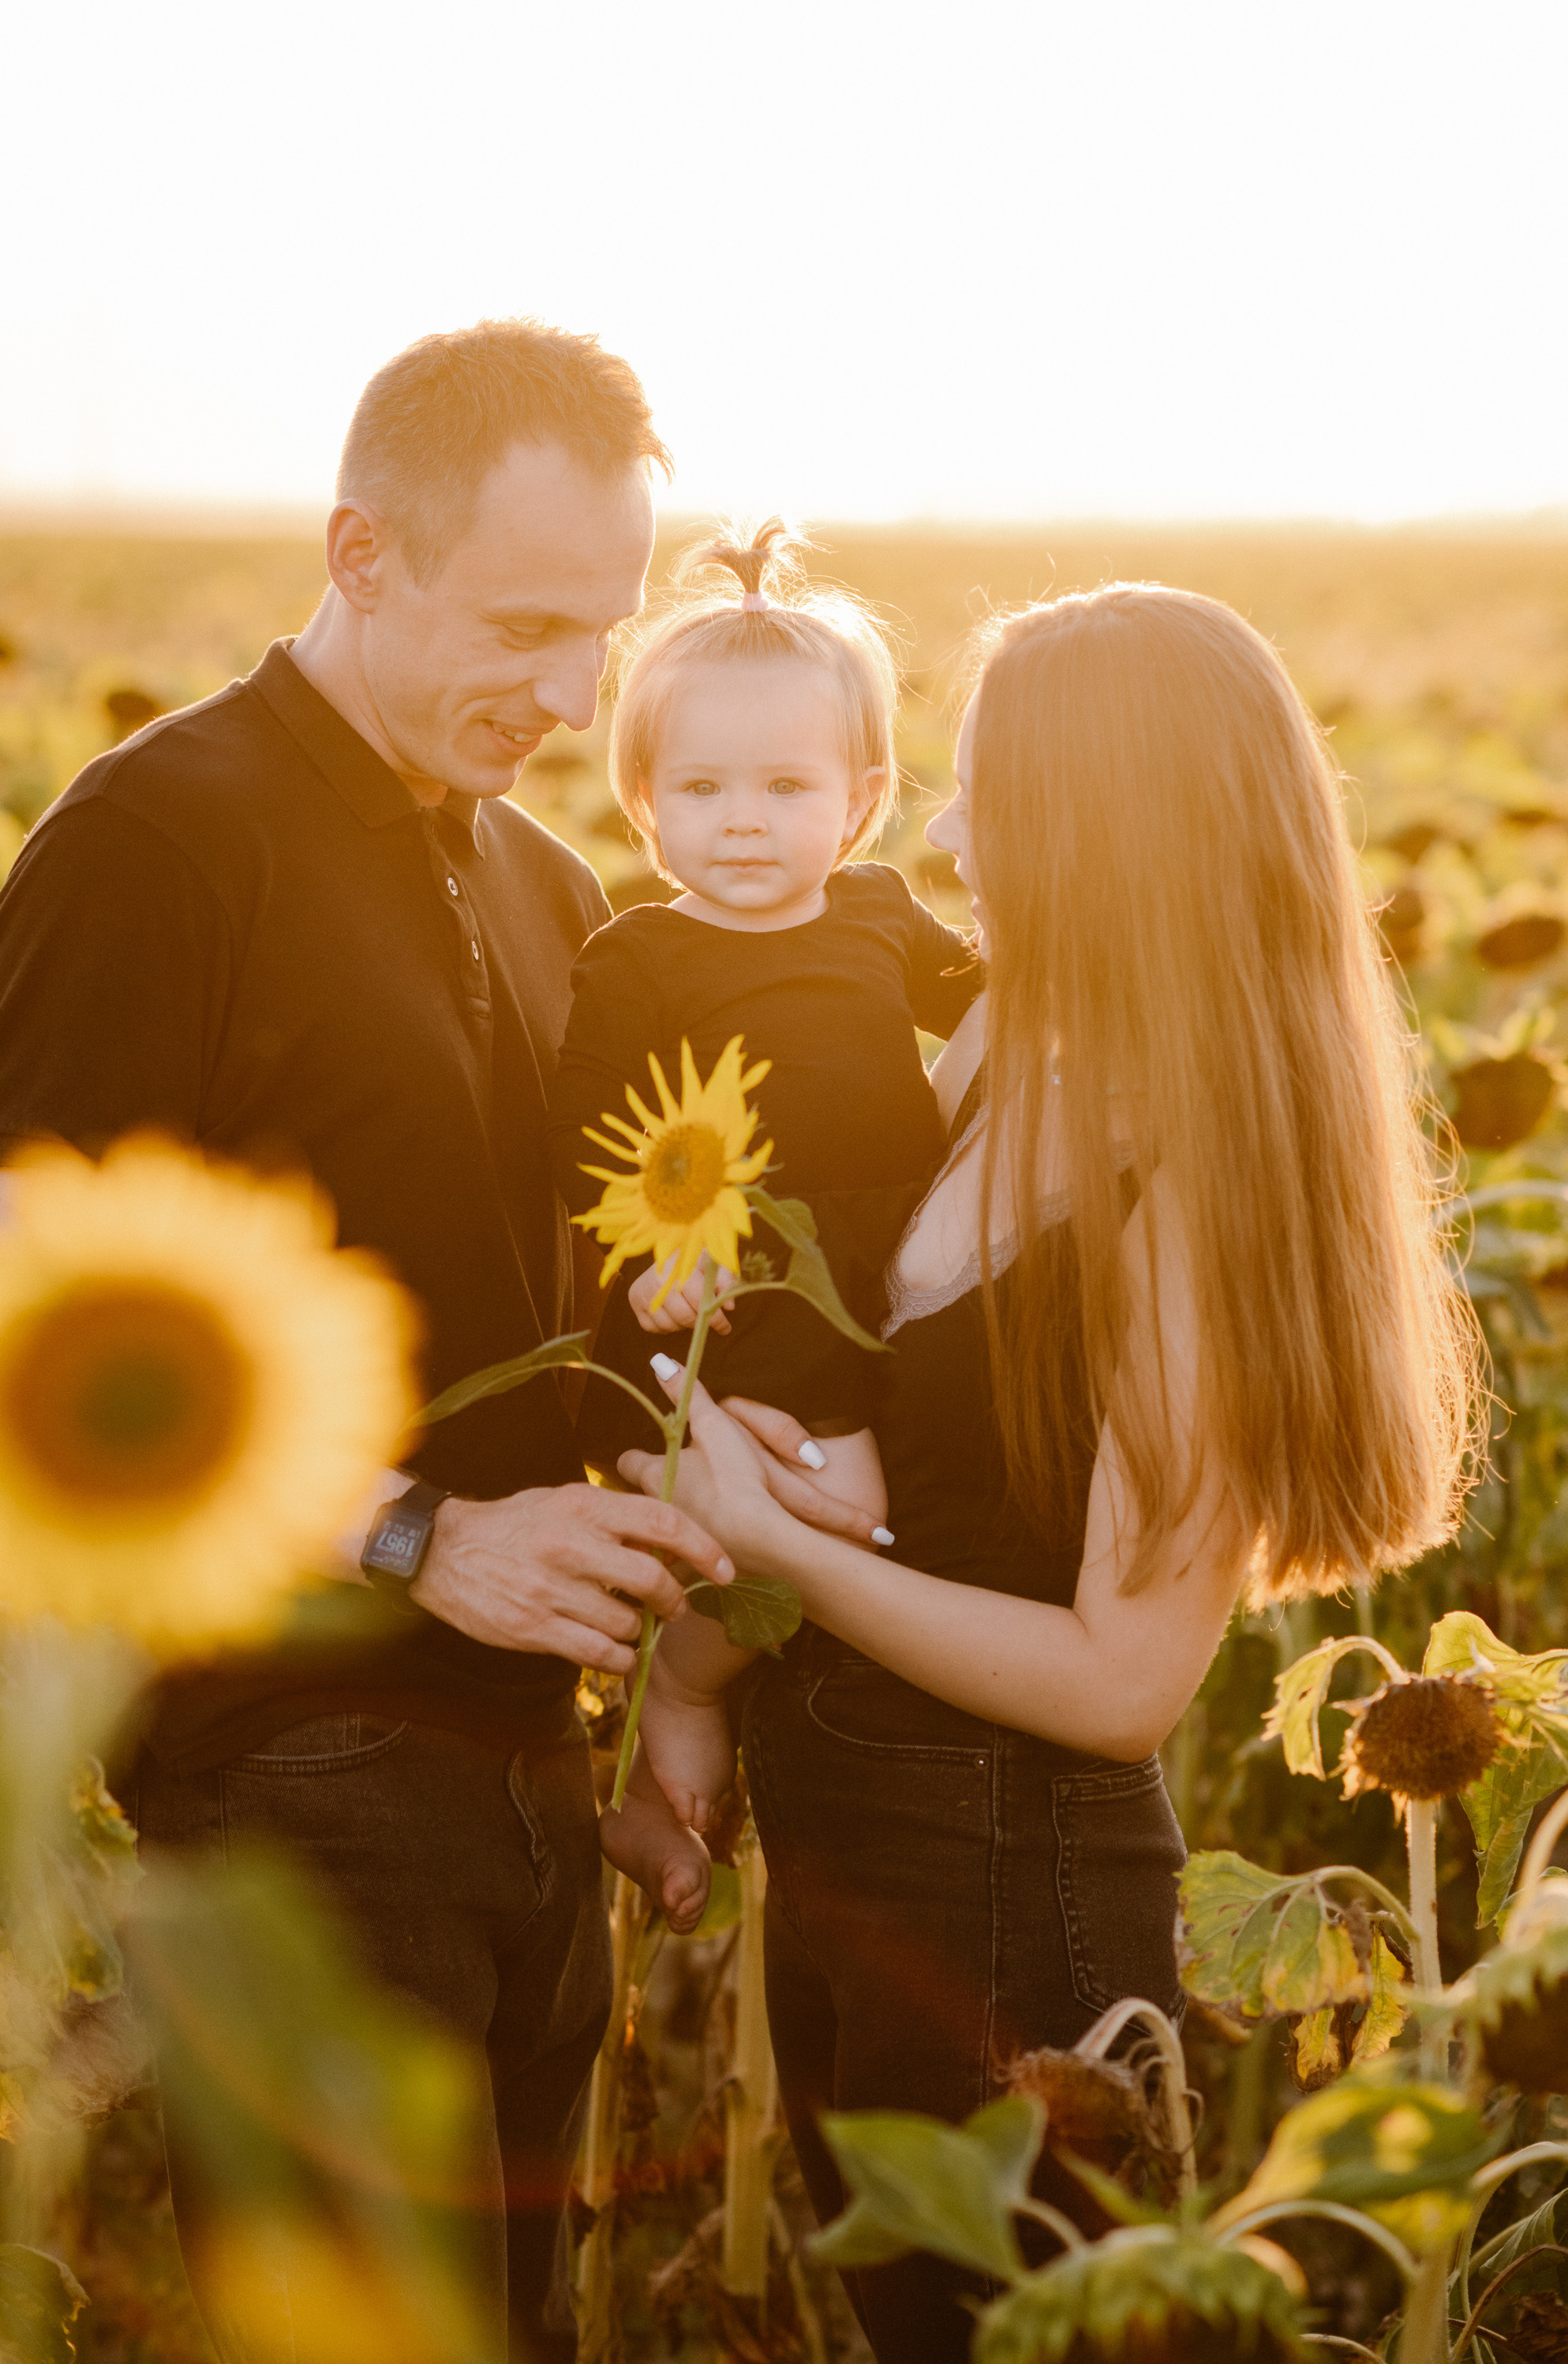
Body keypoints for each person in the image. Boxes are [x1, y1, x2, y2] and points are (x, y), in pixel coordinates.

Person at [615, 584, 1482, 2362]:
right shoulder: (1005, 1039)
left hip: (1014, 1883)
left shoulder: (1195, 1186)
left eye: (984, 796)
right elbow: (940, 1452)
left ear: (1096, 831)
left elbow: (1116, 1679)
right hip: (865, 1835)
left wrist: (784, 1535)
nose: (935, 828)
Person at [0, 319, 739, 2364]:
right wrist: (421, 1537)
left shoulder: (537, 874)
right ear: (359, 548)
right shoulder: (162, 840)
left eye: (602, 633)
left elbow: (552, 1316)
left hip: (530, 1781)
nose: (573, 694)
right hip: (292, 1768)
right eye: (522, 624)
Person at [544, 520, 981, 1923]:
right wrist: (656, 1258)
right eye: (704, 786)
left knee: (880, 1515)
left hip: (882, 1278)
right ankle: (680, 1685)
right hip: (735, 1296)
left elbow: (997, 1010)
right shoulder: (639, 956)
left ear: (858, 804)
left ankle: (745, 1705)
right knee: (836, 1519)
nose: (745, 820)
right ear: (641, 800)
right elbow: (586, 1136)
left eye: (787, 787)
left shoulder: (877, 916)